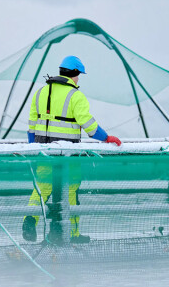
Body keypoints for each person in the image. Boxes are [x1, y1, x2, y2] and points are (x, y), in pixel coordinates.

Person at [23, 55, 121, 244]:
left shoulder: (40, 92)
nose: (78, 79)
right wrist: (107, 138)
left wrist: (33, 148)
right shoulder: (75, 96)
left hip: (43, 151)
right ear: (75, 74)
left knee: (42, 188)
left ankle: (29, 220)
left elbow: (31, 125)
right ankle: (72, 233)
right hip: (68, 155)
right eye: (79, 75)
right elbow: (89, 125)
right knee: (71, 192)